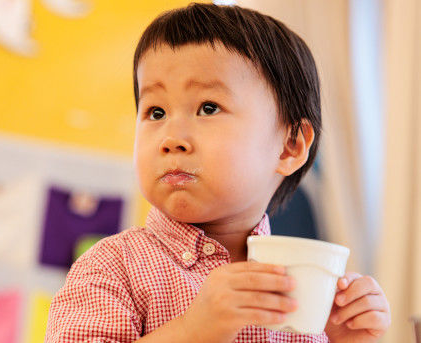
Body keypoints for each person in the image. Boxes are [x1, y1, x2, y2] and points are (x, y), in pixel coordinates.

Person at [45, 3, 391, 342]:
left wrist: (345, 340)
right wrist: (192, 332)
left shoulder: (311, 293)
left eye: (208, 108)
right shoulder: (112, 266)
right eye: (155, 112)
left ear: (290, 146)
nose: (171, 139)